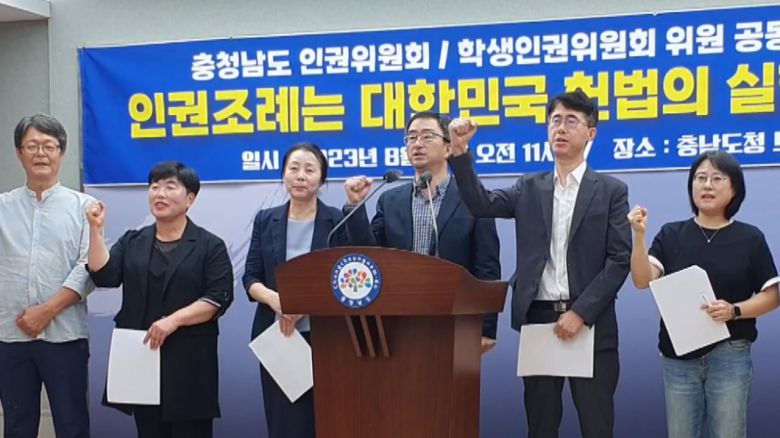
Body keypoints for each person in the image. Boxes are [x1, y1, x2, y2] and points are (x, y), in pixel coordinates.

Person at [447, 89, 631, 438]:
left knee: (597, 425)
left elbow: (619, 259)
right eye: (555, 120)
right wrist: (460, 152)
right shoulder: (529, 187)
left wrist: (580, 313)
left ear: (590, 133)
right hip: (539, 319)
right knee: (541, 425)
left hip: (590, 323)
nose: (560, 128)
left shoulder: (610, 190)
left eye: (571, 121)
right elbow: (482, 204)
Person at [628, 150, 779, 438]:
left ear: (735, 189)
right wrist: (639, 236)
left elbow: (772, 296)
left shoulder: (750, 238)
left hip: (730, 354)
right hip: (678, 357)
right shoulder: (671, 234)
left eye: (717, 178)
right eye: (700, 178)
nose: (707, 185)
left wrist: (734, 310)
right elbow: (641, 280)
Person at [86, 161, 233, 438]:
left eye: (170, 187)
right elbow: (104, 275)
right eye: (154, 187)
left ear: (190, 199)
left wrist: (173, 321)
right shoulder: (133, 241)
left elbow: (219, 298)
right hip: (142, 356)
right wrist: (95, 230)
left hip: (190, 362)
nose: (160, 193)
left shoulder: (209, 245)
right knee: (149, 430)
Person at [344, 111, 501, 351]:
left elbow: (486, 268)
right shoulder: (390, 200)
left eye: (427, 136)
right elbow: (370, 258)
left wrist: (486, 328)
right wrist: (355, 207)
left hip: (455, 320)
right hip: (397, 323)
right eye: (411, 137)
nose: (417, 144)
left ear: (448, 148)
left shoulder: (473, 198)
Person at [243, 142, 349, 438]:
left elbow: (346, 279)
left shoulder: (337, 220)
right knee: (285, 422)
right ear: (283, 175)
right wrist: (276, 300)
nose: (301, 175)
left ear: (322, 179)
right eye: (294, 168)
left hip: (327, 337)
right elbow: (251, 276)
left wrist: (306, 303)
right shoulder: (266, 219)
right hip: (279, 336)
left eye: (309, 169)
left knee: (327, 419)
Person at [0, 114, 94, 438]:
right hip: (9, 336)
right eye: (32, 146)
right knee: (17, 426)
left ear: (61, 153)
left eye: (48, 146)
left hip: (65, 337)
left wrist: (46, 311)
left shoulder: (85, 207)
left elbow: (89, 268)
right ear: (19, 153)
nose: (40, 153)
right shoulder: (2, 207)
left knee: (72, 425)